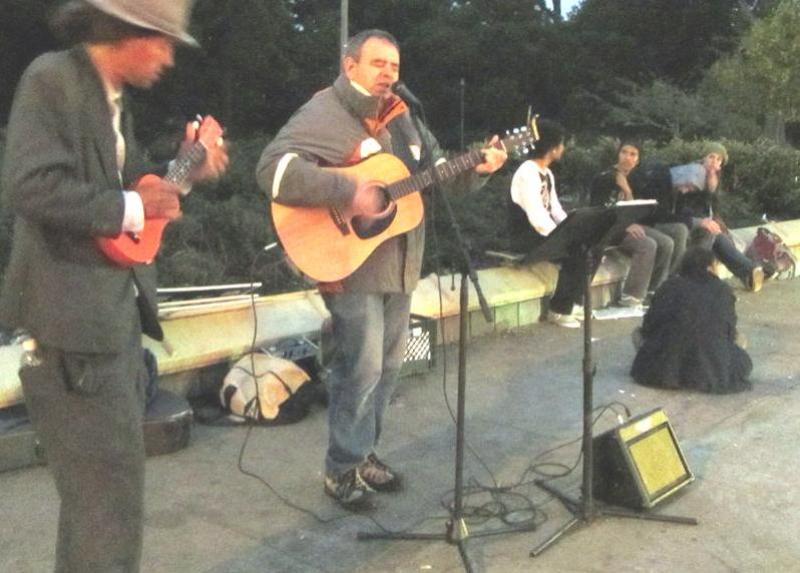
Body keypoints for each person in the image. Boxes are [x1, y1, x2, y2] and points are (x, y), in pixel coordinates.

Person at [0, 1, 228, 570]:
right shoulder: (53, 78)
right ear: (128, 32)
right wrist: (130, 203)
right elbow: (29, 186)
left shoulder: (112, 100)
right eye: (164, 42)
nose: (170, 58)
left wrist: (184, 171)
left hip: (109, 324)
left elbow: (132, 199)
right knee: (107, 506)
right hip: (70, 330)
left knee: (101, 505)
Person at [255, 29, 506, 509]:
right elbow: (273, 170)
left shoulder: (405, 120)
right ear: (351, 66)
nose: (389, 73)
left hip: (401, 263)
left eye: (394, 65)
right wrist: (346, 191)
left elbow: (439, 181)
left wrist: (480, 167)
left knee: (389, 367)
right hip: (351, 264)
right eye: (378, 64)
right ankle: (340, 468)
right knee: (361, 367)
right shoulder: (324, 112)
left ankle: (364, 453)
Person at [637, 142, 763, 292]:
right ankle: (697, 276)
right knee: (710, 234)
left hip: (694, 223)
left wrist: (711, 185)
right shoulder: (690, 175)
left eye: (718, 160)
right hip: (682, 223)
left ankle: (749, 271)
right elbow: (680, 210)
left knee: (716, 235)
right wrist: (701, 221)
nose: (713, 162)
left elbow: (714, 206)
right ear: (703, 157)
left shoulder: (713, 179)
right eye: (711, 157)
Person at [631, 247, 752, 394]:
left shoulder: (669, 286)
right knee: (740, 339)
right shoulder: (723, 290)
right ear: (709, 267)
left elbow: (648, 327)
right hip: (710, 370)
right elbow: (729, 332)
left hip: (663, 370)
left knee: (636, 334)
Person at [508, 119, 587, 328]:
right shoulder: (527, 171)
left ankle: (575, 301)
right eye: (561, 144)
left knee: (588, 244)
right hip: (524, 234)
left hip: (543, 231)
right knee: (576, 251)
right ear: (552, 148)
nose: (563, 148)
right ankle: (559, 310)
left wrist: (574, 227)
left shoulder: (547, 173)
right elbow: (536, 214)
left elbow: (555, 209)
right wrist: (562, 237)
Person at [590, 141, 681, 307]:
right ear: (618, 154)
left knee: (667, 242)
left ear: (638, 160)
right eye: (624, 152)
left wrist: (628, 191)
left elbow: (637, 209)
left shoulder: (636, 178)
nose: (627, 157)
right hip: (609, 228)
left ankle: (653, 291)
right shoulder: (605, 177)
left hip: (629, 223)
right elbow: (598, 211)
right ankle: (631, 296)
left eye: (633, 154)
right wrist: (626, 224)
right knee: (647, 245)